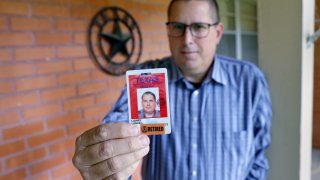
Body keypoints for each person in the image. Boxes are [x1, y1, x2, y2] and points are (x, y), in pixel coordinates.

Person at [72, 0, 272, 179]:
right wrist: (107, 155)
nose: (187, 40)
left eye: (199, 27)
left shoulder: (249, 80)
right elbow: (120, 121)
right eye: (178, 26)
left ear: (217, 32)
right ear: (168, 30)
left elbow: (259, 156)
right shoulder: (147, 75)